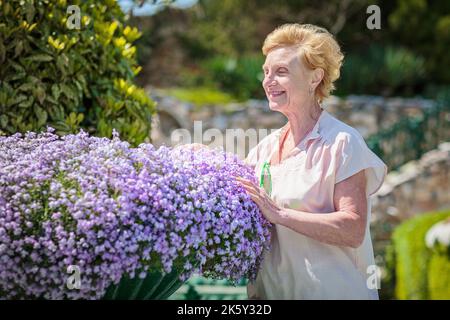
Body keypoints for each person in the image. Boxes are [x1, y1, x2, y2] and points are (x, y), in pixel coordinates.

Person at [235, 23, 387, 299]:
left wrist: (280, 214)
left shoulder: (342, 142)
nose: (268, 81)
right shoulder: (263, 150)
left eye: (281, 72)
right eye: (266, 72)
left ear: (314, 77)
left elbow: (353, 228)